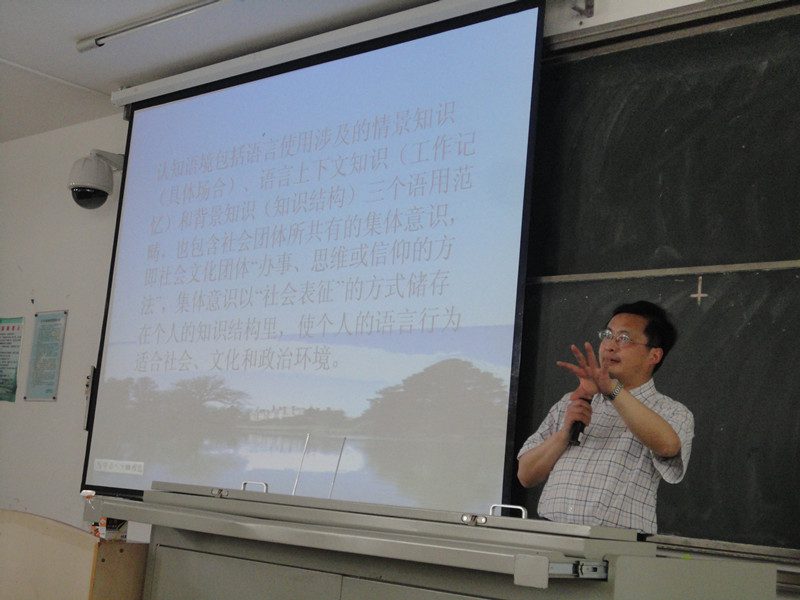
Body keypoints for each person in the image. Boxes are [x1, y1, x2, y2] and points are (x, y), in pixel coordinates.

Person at [516, 300, 693, 534]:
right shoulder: (573, 401)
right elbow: (526, 475)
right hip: (551, 535)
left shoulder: (671, 410)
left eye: (624, 338)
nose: (610, 346)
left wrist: (611, 389)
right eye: (608, 335)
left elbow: (668, 446)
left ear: (654, 355)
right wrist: (563, 435)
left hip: (615, 544)